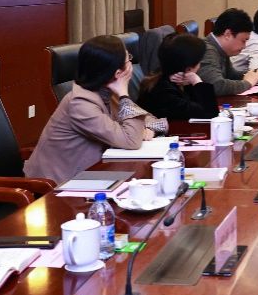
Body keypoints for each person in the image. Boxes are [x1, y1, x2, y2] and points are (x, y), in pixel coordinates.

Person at [24, 35, 164, 184]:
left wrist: (149, 128)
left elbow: (155, 121)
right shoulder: (80, 103)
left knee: (150, 180)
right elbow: (131, 140)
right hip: (59, 184)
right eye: (128, 59)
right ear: (118, 73)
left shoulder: (107, 92)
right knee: (146, 184)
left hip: (95, 172)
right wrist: (124, 94)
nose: (131, 63)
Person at [137, 33, 221, 120]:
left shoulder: (167, 77)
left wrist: (190, 84)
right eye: (199, 61)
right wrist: (197, 81)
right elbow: (211, 113)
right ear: (188, 69)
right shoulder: (164, 92)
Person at [201, 8, 258, 96]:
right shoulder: (207, 51)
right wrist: (247, 83)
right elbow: (216, 86)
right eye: (243, 41)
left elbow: (231, 75)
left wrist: (255, 75)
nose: (244, 46)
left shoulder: (221, 49)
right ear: (228, 34)